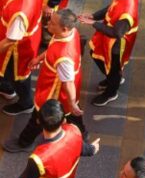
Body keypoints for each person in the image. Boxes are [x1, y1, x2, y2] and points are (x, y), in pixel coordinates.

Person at [4, 9, 86, 152]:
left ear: (64, 28)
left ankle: (24, 142)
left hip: (53, 93)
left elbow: (67, 82)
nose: (48, 23)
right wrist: (39, 58)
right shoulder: (71, 34)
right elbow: (53, 48)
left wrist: (71, 102)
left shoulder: (64, 56)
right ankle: (82, 134)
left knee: (39, 117)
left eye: (52, 23)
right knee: (72, 114)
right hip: (62, 92)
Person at [79, 0, 139, 106]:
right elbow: (112, 7)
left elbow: (116, 33)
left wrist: (93, 23)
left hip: (117, 45)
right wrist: (94, 16)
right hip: (108, 39)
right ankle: (113, 78)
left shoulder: (127, 12)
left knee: (113, 67)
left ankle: (111, 91)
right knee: (96, 55)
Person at [0, 0, 43, 115]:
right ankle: (6, 87)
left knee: (19, 76)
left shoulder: (20, 12)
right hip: (30, 37)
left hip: (18, 49)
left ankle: (26, 103)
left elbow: (11, 40)